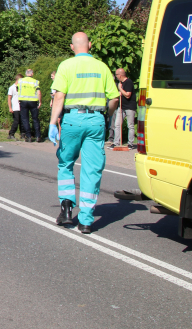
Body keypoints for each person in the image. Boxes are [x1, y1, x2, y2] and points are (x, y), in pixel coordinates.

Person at [49, 32, 119, 234]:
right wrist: (107, 116)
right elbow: (114, 98)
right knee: (92, 169)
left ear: (72, 47)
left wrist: (53, 123)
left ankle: (67, 210)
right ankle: (86, 220)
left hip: (72, 120)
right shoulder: (102, 67)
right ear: (90, 44)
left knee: (66, 163)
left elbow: (60, 96)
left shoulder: (66, 66)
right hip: (96, 120)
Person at [111, 68, 137, 149]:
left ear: (120, 75)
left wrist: (120, 89)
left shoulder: (128, 82)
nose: (116, 76)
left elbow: (128, 95)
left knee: (130, 125)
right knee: (117, 125)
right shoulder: (121, 83)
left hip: (129, 107)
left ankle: (130, 144)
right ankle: (116, 143)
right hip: (121, 107)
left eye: (116, 75)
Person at [17, 69, 41, 142]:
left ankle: (28, 136)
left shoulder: (20, 81)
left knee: (25, 119)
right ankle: (38, 136)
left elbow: (18, 89)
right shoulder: (35, 81)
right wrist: (40, 102)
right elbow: (39, 92)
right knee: (35, 119)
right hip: (33, 102)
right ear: (32, 73)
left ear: (26, 74)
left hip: (23, 101)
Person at [7, 74, 23, 140]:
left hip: (22, 107)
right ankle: (11, 134)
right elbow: (9, 98)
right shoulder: (12, 88)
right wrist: (10, 107)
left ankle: (23, 134)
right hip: (15, 107)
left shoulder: (22, 87)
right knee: (16, 121)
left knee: (22, 122)